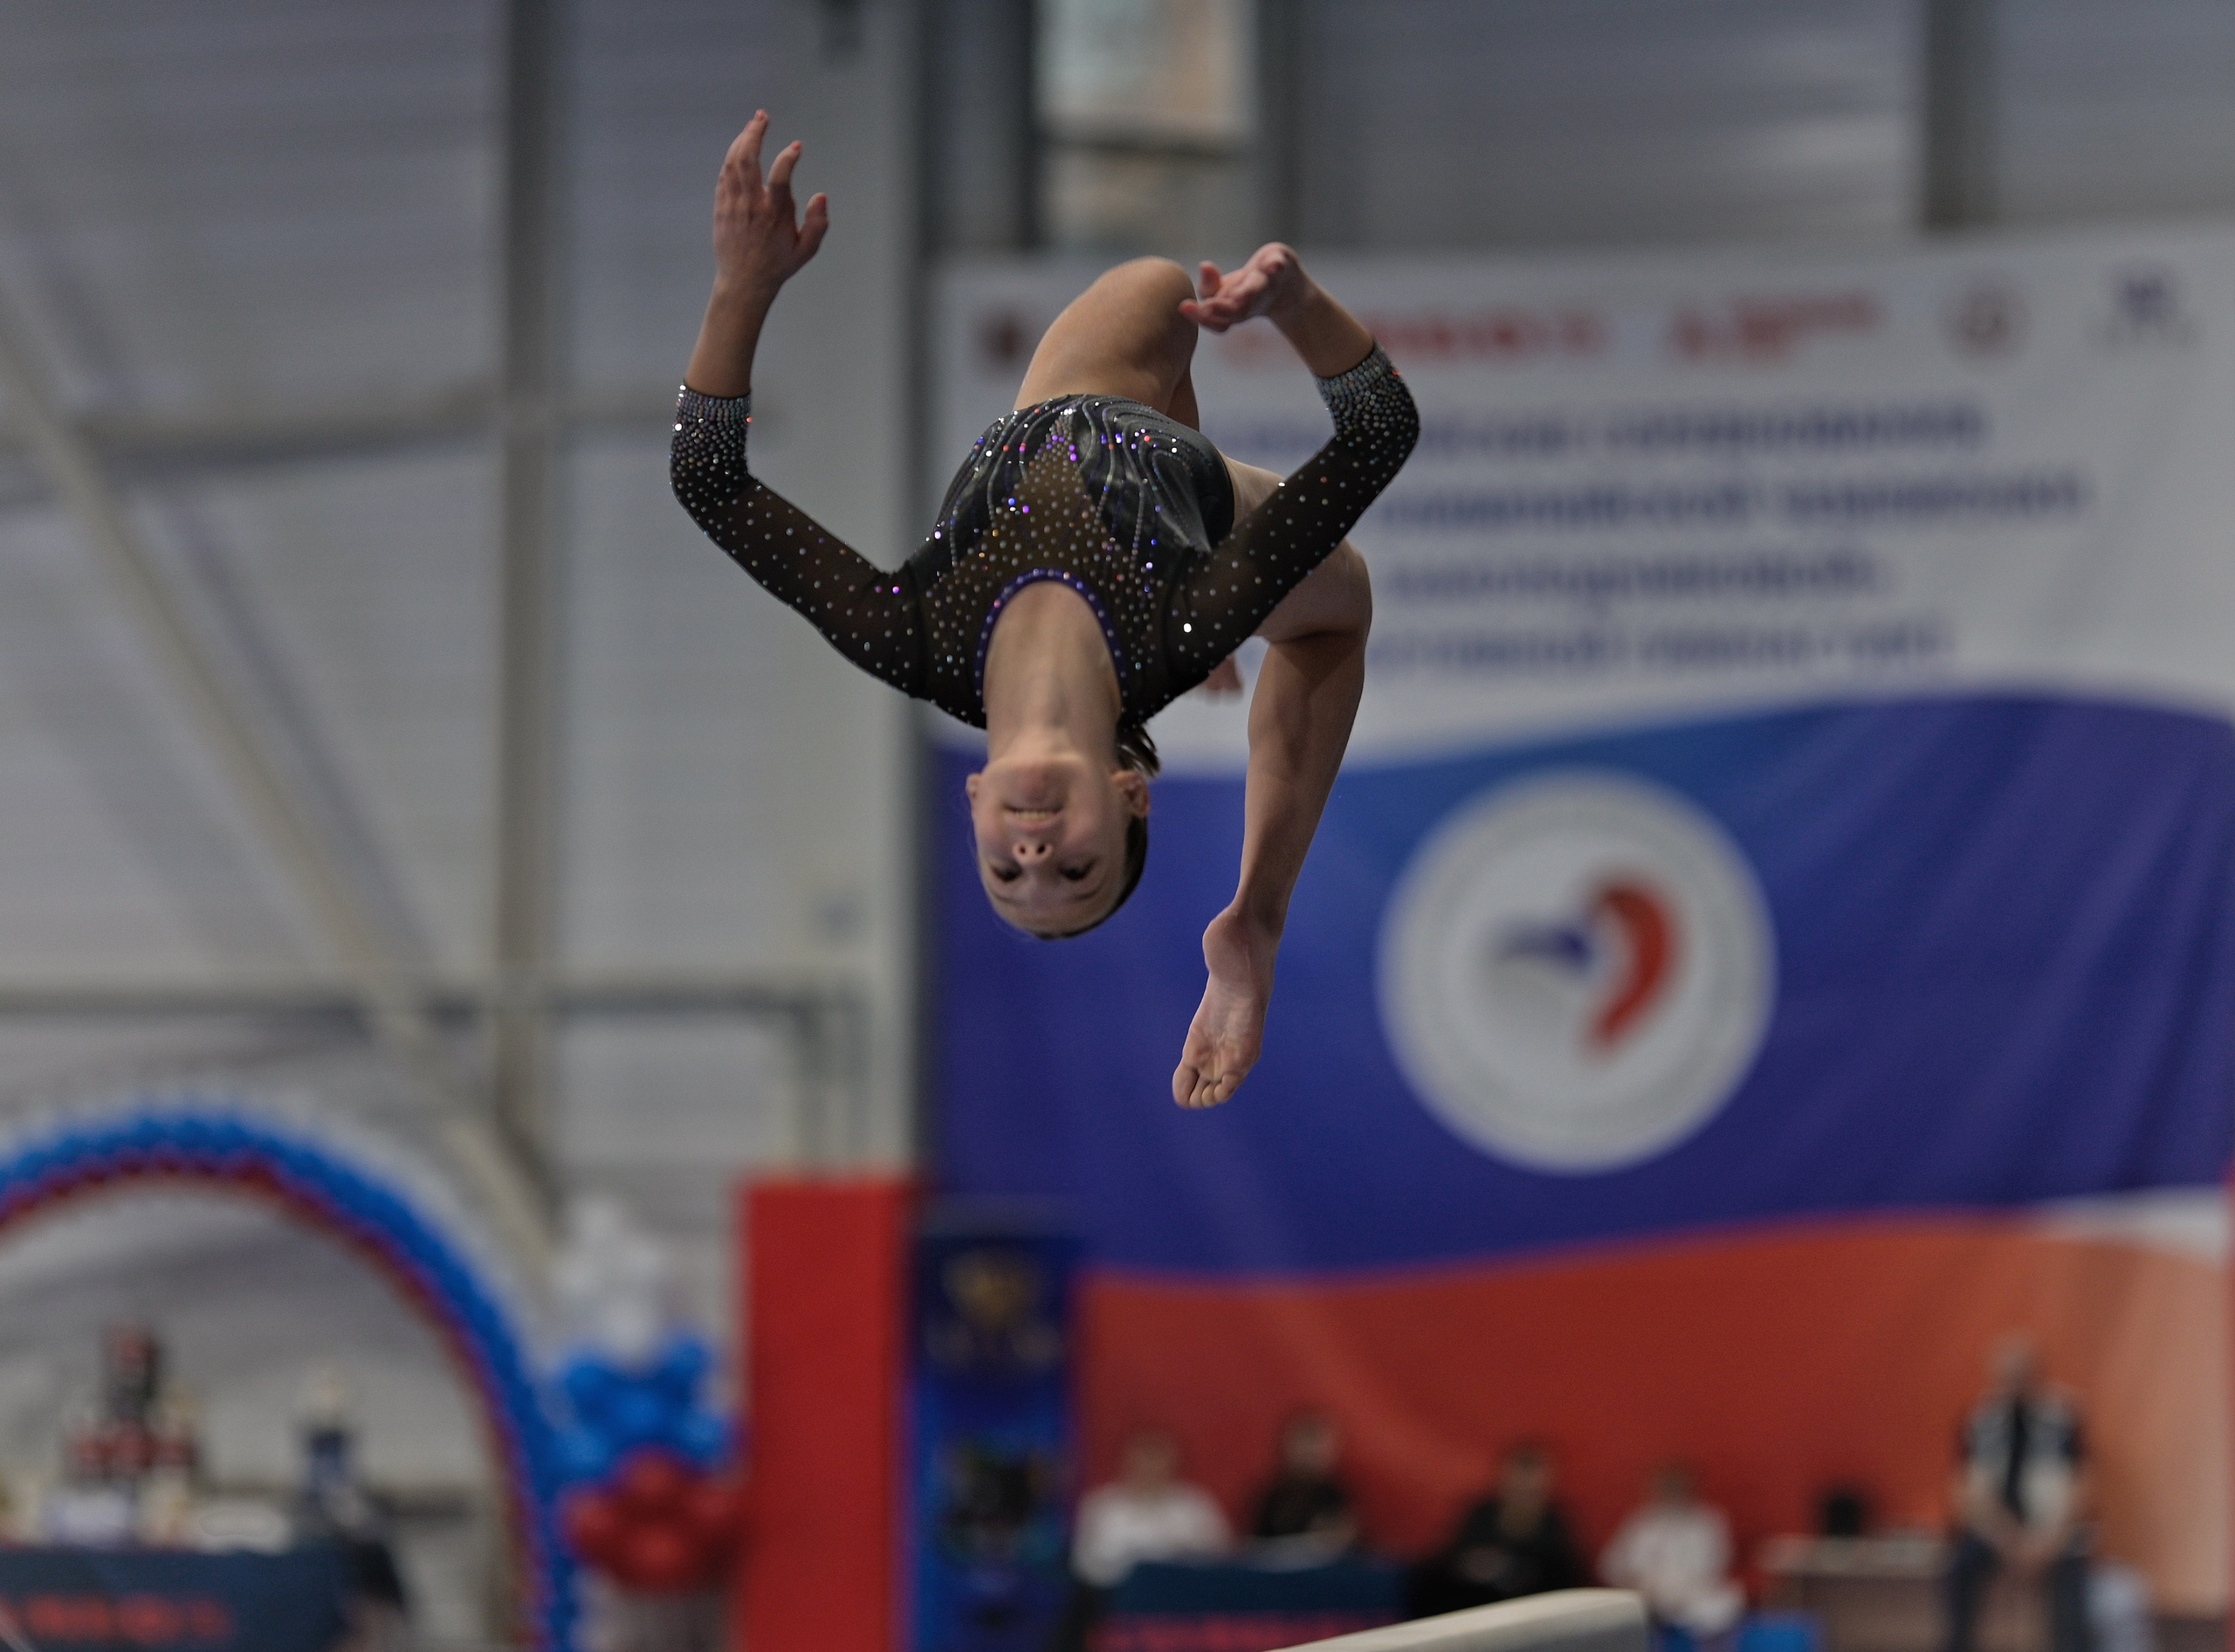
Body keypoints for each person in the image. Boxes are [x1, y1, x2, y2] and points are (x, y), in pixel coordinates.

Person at [672, 113, 1419, 1109]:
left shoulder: (916, 637)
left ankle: (1203, 487)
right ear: (1127, 795)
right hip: (1187, 510)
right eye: (1074, 868)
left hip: (1085, 388)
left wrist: (741, 288)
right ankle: (1256, 919)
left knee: (1157, 288)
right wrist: (1295, 306)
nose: (1033, 856)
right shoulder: (1180, 624)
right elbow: (1378, 433)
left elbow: (708, 479)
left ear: (974, 801)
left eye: (1007, 871)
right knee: (1340, 597)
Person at [1943, 1337, 2091, 1652]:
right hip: (1996, 1533)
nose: (2014, 1386)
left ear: (2037, 1375)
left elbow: (2080, 1489)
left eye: (2022, 1377)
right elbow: (1966, 1492)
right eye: (2007, 1378)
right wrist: (2009, 1541)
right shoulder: (1981, 1421)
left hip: (2051, 1535)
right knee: (1958, 1569)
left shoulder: (2062, 1418)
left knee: (2072, 1579)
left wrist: (2042, 1545)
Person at [1058, 1430, 1229, 1651]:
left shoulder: (1195, 1505)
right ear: (1125, 1462)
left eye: (1157, 1458)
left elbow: (1220, 1557)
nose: (1150, 1467)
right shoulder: (1101, 1505)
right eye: (1142, 1458)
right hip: (1115, 1601)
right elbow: (1085, 1564)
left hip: (1184, 1604)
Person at [1411, 1442, 1587, 1618]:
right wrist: (1472, 1565)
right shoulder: (1480, 1516)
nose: (1523, 1489)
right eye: (1518, 1482)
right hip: (1472, 1613)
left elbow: (1567, 1584)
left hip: (1531, 1619)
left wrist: (1512, 1570)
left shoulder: (1555, 1528)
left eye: (1531, 1487)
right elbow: (1442, 1566)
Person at [1599, 1463, 1744, 1647]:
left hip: (1698, 1598)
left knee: (1723, 1609)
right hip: (1648, 1598)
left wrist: (1679, 1593)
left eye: (1679, 1488)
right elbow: (1611, 1566)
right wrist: (1639, 1587)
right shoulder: (1641, 1522)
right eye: (1668, 1488)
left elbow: (1715, 1566)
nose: (1673, 1494)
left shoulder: (1710, 1521)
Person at [1248, 1409, 1359, 1551]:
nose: (1310, 1452)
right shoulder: (1272, 1495)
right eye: (1304, 1441)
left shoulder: (1335, 1495)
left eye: (1317, 1443)